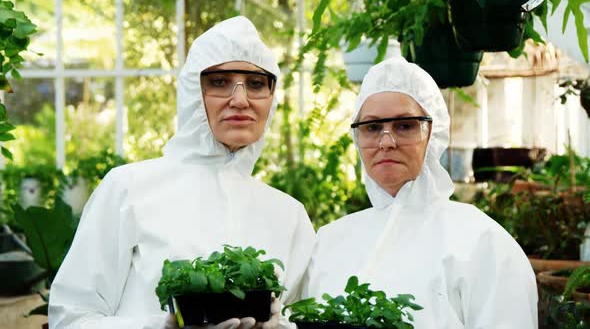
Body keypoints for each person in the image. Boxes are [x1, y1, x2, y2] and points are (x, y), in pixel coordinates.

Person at [49, 16, 315, 329]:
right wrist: (157, 327)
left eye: (256, 84)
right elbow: (70, 318)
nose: (240, 99)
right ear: (192, 91)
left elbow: (306, 316)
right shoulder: (128, 188)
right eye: (219, 82)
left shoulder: (289, 215)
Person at [302, 57, 538, 328]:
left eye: (405, 126)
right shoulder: (330, 241)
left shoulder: (483, 242)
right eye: (372, 127)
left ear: (432, 132)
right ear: (358, 138)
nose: (386, 142)